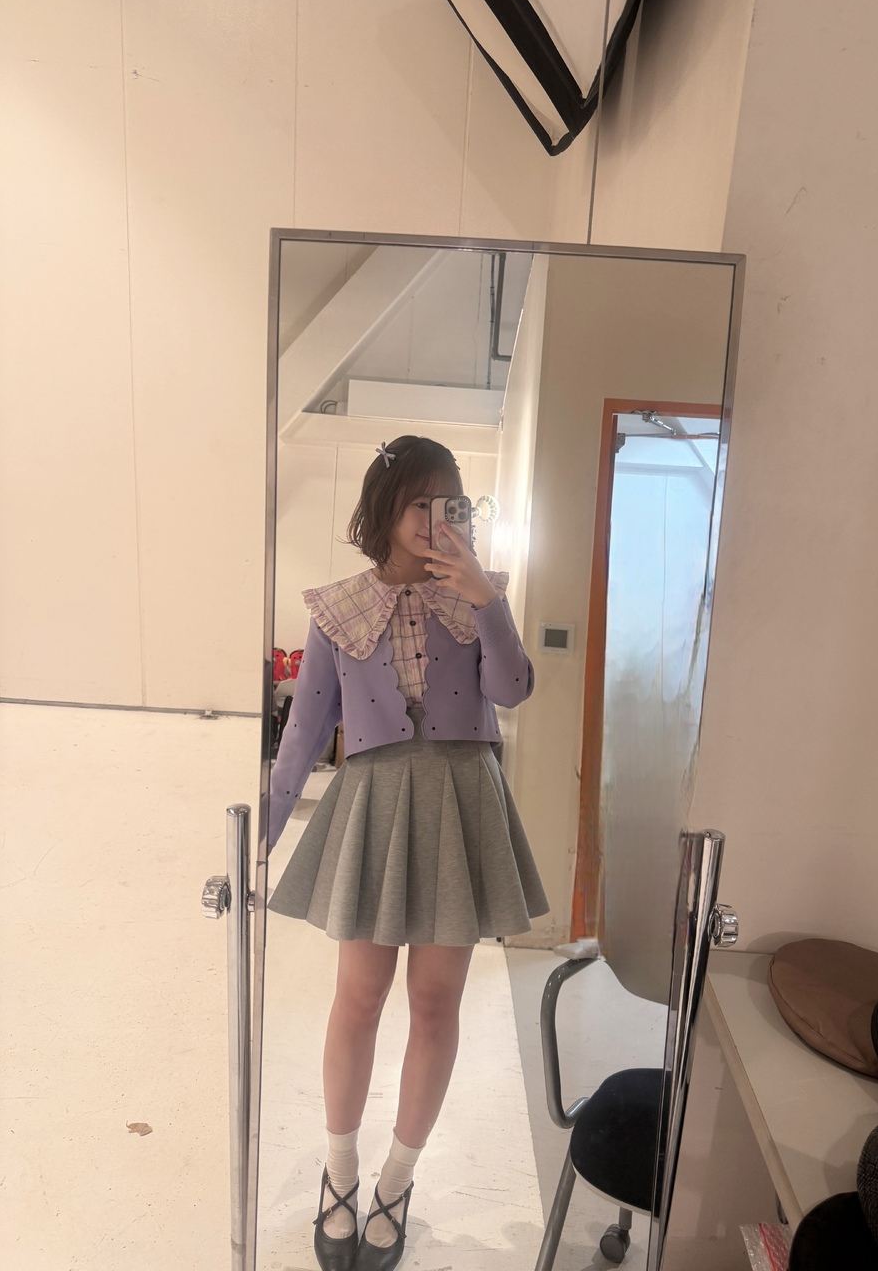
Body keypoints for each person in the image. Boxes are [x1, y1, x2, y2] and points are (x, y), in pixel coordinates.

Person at [266, 434, 549, 1271]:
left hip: (463, 804)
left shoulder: (478, 597)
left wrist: (486, 600)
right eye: (418, 501)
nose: (432, 518)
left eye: (447, 502)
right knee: (358, 998)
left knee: (434, 1004)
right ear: (385, 508)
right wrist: (260, 842)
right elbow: (304, 732)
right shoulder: (338, 608)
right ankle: (340, 1175)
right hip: (378, 804)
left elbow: (513, 690)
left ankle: (396, 1182)